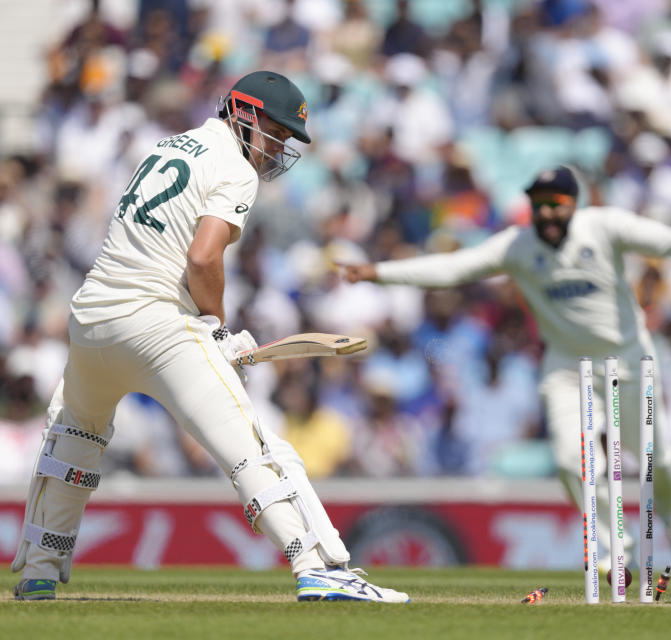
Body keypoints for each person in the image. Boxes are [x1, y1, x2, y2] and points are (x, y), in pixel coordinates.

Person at [12, 71, 408, 603]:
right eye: (277, 131)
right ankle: (317, 566)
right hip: (155, 324)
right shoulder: (234, 167)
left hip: (89, 319)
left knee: (74, 444)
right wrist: (215, 327)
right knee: (254, 449)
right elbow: (202, 257)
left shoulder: (167, 145)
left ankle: (38, 571)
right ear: (244, 113)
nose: (280, 146)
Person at [340, 166, 671, 571]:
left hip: (627, 359)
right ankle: (615, 546)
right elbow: (454, 268)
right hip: (567, 366)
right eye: (539, 205)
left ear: (574, 204)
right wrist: (378, 273)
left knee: (657, 462)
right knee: (574, 461)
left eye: (557, 204)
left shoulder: (603, 227)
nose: (547, 213)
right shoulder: (518, 246)